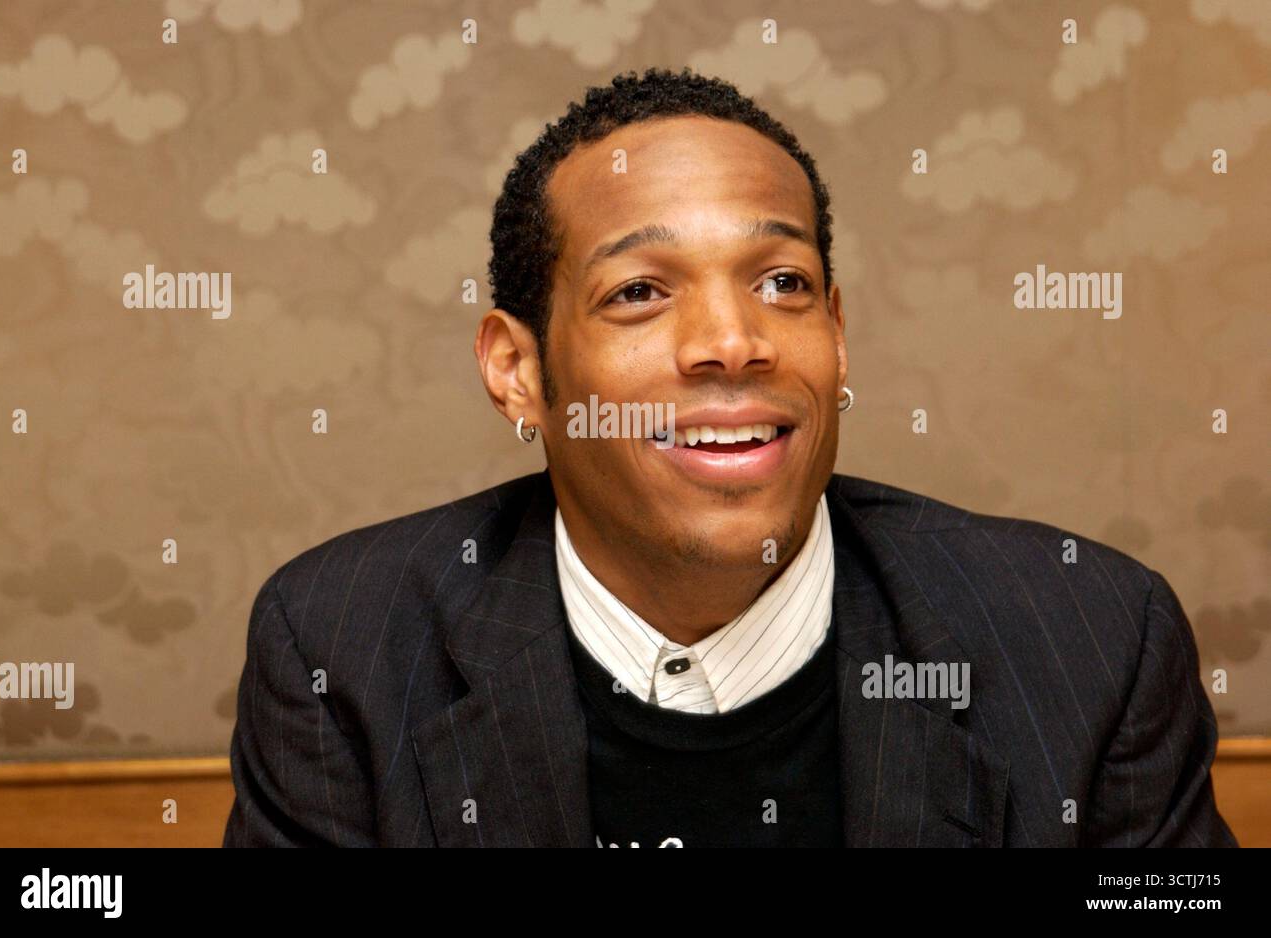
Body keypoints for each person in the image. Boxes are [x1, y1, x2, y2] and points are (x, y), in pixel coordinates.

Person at [223, 67, 1236, 847]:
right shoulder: (340, 647)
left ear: (838, 338)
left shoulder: (1090, 636)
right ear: (518, 370)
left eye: (783, 283)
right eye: (638, 292)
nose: (731, 340)